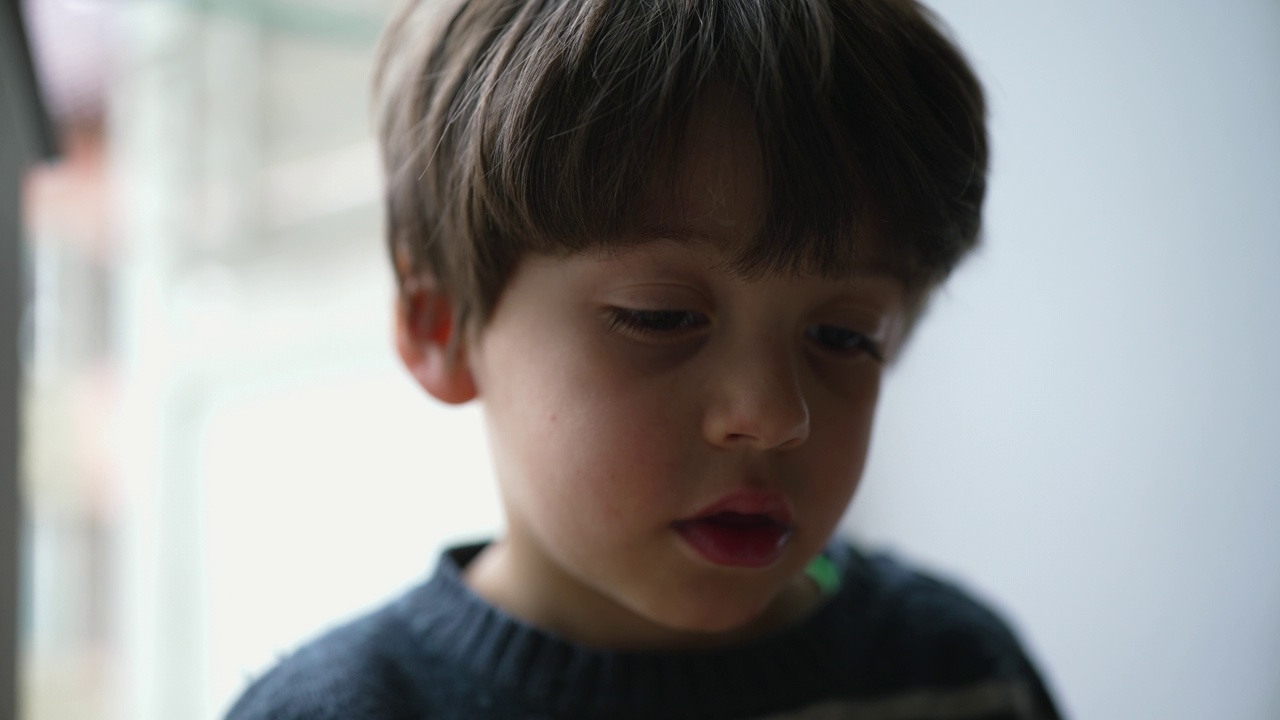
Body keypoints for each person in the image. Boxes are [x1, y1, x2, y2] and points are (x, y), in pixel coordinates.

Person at [226, 0, 1063, 718]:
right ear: (439, 324)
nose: (774, 416)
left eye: (845, 337)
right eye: (660, 318)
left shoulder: (962, 677)